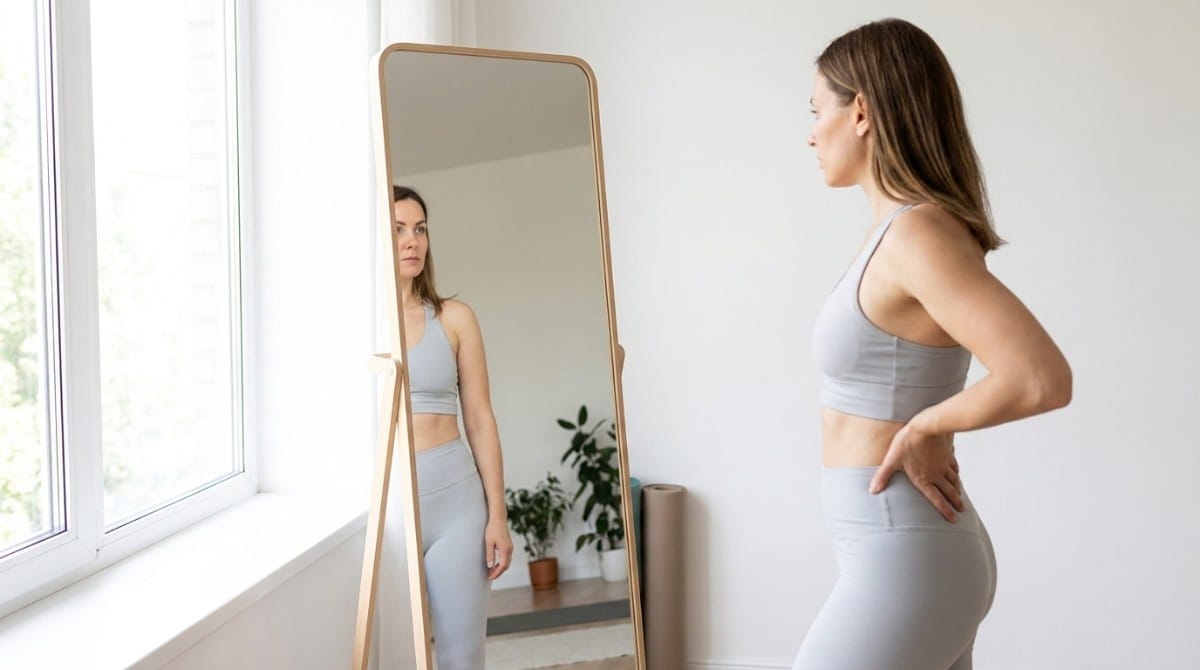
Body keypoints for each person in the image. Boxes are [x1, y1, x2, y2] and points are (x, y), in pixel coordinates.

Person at [796, 19, 1072, 669]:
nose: (810, 132)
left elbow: (1040, 377)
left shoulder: (918, 233)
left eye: (816, 111)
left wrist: (926, 425)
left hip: (906, 560)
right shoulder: (896, 231)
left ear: (860, 111)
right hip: (900, 553)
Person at [392, 185, 513, 669]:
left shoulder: (455, 318)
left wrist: (497, 515)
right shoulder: (356, 328)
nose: (412, 241)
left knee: (463, 657)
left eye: (419, 229)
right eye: (398, 229)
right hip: (391, 508)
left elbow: (480, 419)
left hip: (457, 504)